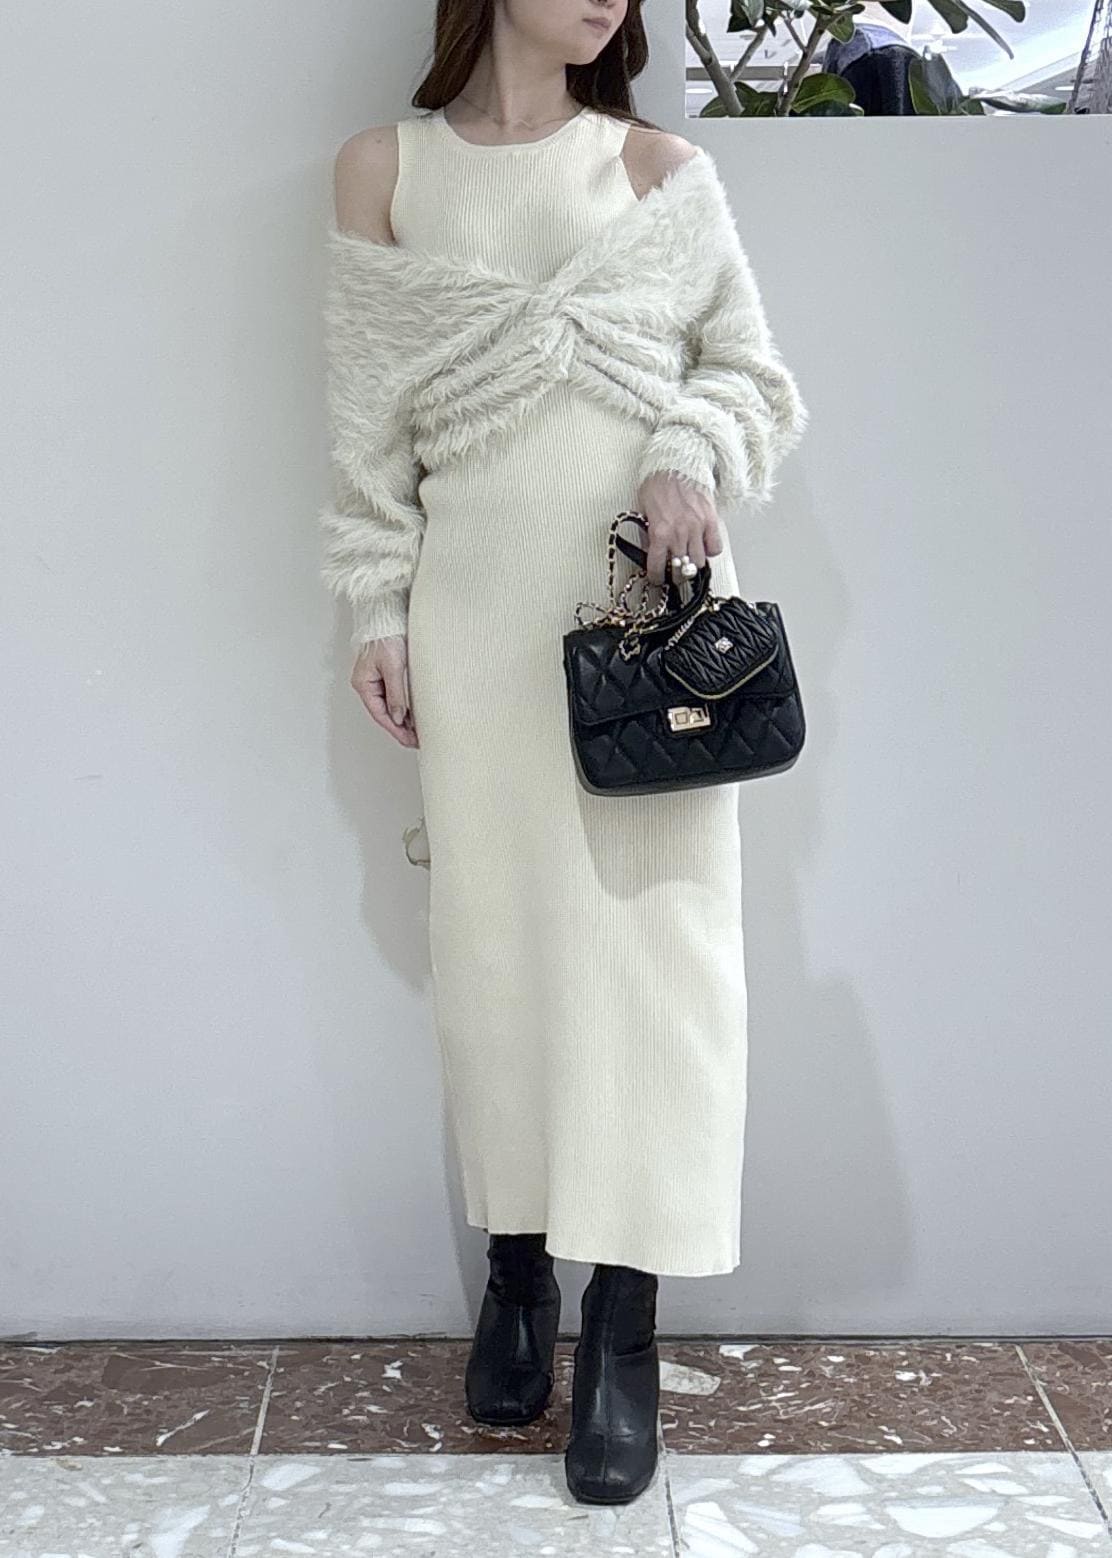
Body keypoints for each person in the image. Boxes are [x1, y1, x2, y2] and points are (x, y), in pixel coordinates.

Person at [317, 0, 808, 1506]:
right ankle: (519, 1268)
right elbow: (364, 428)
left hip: (647, 630)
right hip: (474, 621)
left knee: (654, 964)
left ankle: (625, 1321)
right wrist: (374, 602)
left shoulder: (659, 171)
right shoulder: (384, 170)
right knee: (500, 950)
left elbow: (753, 376)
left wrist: (682, 450)